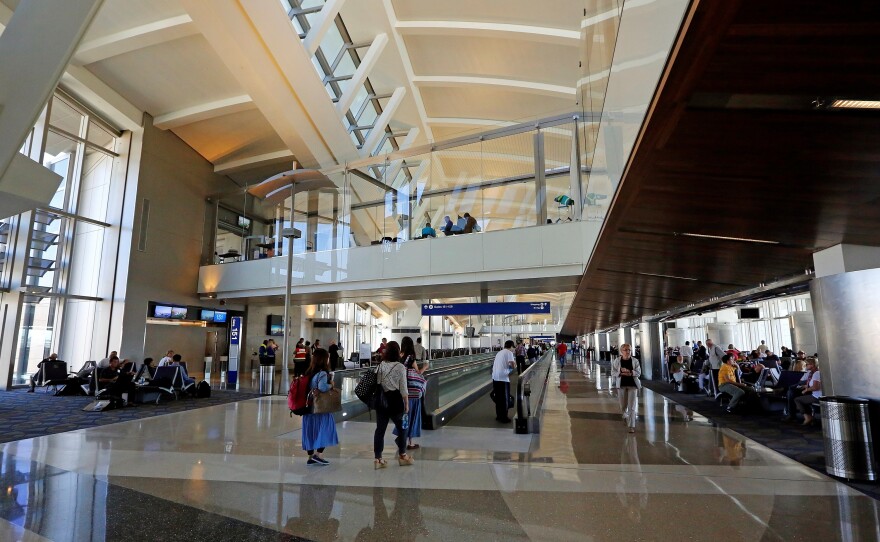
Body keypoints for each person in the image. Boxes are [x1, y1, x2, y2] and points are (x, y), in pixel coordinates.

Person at [373, 341, 414, 469]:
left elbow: (377, 382)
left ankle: (378, 459)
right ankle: (402, 455)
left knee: (380, 430)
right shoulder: (400, 367)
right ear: (397, 352)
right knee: (403, 428)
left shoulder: (380, 366)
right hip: (395, 401)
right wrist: (406, 404)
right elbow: (403, 388)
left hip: (381, 401)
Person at [301, 348, 339, 465]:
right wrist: (331, 385)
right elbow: (322, 387)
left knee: (310, 431)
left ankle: (310, 456)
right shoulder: (322, 373)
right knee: (325, 428)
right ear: (324, 359)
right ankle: (319, 455)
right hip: (320, 408)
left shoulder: (309, 371)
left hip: (308, 407)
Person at [394, 343, 428, 450]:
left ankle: (401, 437)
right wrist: (425, 367)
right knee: (413, 417)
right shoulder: (412, 360)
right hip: (413, 393)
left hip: (403, 393)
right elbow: (419, 373)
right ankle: (410, 442)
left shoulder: (400, 361)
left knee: (404, 417)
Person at [611, 344, 642, 433]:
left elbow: (638, 372)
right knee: (623, 405)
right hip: (621, 385)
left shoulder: (635, 361)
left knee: (632, 406)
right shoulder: (617, 361)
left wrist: (630, 372)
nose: (627, 352)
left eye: (629, 350)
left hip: (632, 385)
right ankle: (624, 415)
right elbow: (613, 372)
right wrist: (620, 373)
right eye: (625, 350)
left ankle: (631, 426)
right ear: (621, 351)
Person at [783, 357, 821, 423]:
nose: (805, 366)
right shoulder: (810, 373)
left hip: (815, 394)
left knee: (795, 396)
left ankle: (807, 416)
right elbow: (803, 382)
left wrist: (806, 389)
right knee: (791, 392)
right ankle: (795, 414)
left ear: (812, 365)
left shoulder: (816, 373)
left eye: (807, 364)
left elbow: (815, 387)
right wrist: (805, 386)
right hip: (811, 391)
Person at [491, 340, 516, 423]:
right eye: (513, 347)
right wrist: (512, 368)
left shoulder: (499, 352)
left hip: (495, 377)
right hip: (503, 378)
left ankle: (498, 416)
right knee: (505, 398)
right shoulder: (509, 353)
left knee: (498, 398)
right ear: (511, 346)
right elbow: (512, 364)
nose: (513, 349)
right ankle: (504, 417)